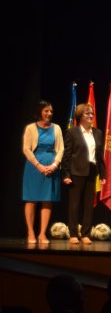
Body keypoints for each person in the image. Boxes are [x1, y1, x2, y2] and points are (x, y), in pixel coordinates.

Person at [62, 103, 107, 245]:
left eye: (92, 113)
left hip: (92, 172)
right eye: (87, 114)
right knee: (74, 205)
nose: (91, 116)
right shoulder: (72, 132)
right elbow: (67, 155)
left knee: (89, 205)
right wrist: (66, 174)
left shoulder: (98, 133)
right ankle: (73, 233)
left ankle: (86, 234)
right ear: (80, 116)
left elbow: (99, 156)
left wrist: (103, 174)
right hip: (76, 172)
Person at [22, 100, 64, 244]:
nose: (49, 114)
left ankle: (42, 233)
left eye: (51, 111)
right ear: (39, 111)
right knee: (32, 199)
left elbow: (61, 149)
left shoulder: (56, 128)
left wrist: (54, 165)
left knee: (47, 200)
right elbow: (26, 149)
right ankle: (31, 232)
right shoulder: (30, 128)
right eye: (46, 111)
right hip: (34, 167)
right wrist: (38, 165)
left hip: (51, 166)